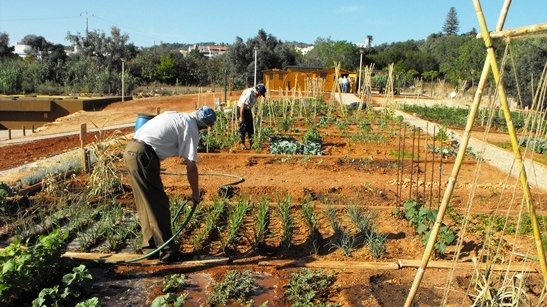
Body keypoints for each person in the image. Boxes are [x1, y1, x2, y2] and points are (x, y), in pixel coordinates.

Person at [123, 106, 217, 263]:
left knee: (145, 203)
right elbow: (191, 165)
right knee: (158, 204)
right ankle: (168, 253)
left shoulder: (178, 115)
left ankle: (151, 248)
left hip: (131, 151)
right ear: (204, 125)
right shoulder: (191, 128)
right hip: (144, 155)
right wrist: (195, 193)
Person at [237, 84, 266, 149]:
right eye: (261, 94)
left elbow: (249, 105)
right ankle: (241, 143)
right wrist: (241, 117)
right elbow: (242, 105)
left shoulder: (255, 95)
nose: (260, 96)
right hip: (242, 109)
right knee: (243, 126)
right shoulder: (250, 93)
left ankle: (252, 144)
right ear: (259, 91)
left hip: (247, 109)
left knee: (250, 127)